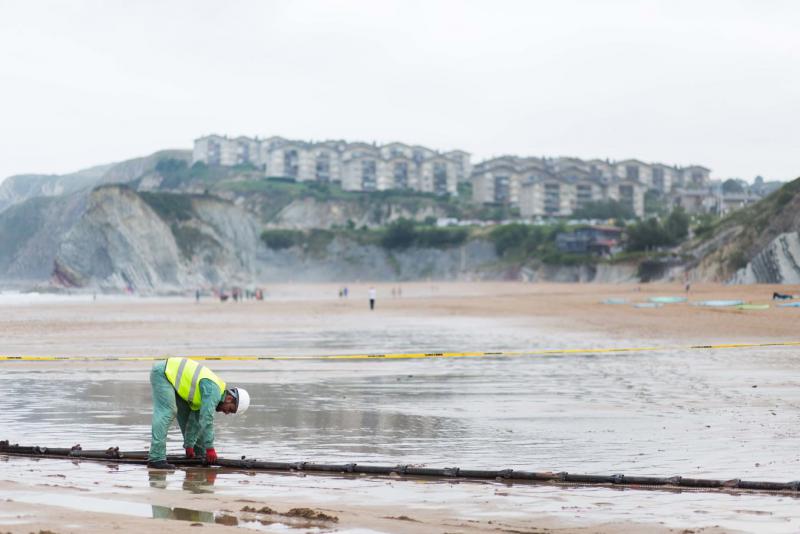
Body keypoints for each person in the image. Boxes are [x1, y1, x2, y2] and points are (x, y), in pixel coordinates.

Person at [148, 357, 250, 469]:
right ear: (230, 398)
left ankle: (199, 455)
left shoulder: (209, 394)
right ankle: (156, 458)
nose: (226, 412)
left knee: (187, 418)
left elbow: (195, 421)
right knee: (168, 411)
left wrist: (189, 445)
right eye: (230, 409)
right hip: (163, 373)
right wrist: (210, 448)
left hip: (172, 379)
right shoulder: (213, 391)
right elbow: (206, 419)